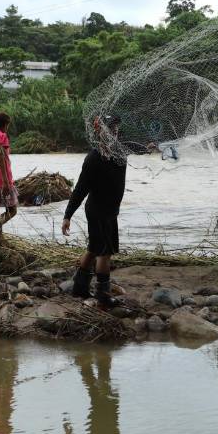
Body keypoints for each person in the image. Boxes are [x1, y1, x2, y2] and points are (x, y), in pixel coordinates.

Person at [62, 115, 126, 309]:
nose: (114, 132)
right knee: (104, 253)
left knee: (94, 248)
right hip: (98, 210)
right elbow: (80, 189)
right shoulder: (93, 158)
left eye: (115, 128)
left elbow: (138, 147)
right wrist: (68, 215)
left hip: (111, 210)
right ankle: (103, 295)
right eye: (110, 128)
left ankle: (79, 287)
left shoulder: (119, 153)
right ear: (100, 131)